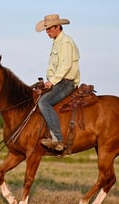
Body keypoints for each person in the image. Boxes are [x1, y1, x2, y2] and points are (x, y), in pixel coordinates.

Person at [35, 14, 80, 151]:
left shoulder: (65, 42)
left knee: (44, 102)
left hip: (67, 82)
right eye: (46, 30)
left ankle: (58, 140)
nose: (47, 32)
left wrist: (52, 81)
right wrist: (48, 81)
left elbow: (65, 66)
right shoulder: (56, 42)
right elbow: (53, 66)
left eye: (49, 29)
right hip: (58, 81)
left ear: (58, 27)